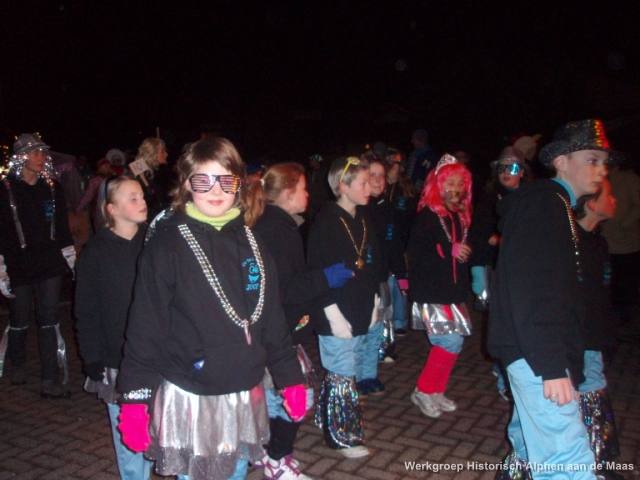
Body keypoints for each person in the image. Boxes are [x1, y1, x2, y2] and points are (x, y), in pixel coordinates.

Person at [116, 138, 306, 480]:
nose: (216, 190)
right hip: (192, 391)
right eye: (204, 180)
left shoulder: (254, 243)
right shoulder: (167, 246)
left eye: (226, 180)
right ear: (188, 184)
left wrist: (289, 375)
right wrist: (134, 400)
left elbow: (271, 316)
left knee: (235, 472)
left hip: (244, 388)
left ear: (239, 184)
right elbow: (146, 326)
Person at [490, 119, 610, 479]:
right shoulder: (545, 204)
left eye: (604, 162)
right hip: (537, 356)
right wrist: (551, 365)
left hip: (538, 352)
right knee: (569, 464)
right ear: (561, 161)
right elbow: (532, 287)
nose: (602, 170)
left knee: (529, 448)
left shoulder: (559, 207)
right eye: (592, 159)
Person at [247, 162, 353, 480]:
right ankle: (277, 458)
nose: (309, 195)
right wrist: (324, 277)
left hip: (273, 330)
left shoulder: (279, 225)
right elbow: (284, 289)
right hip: (277, 332)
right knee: (297, 395)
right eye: (304, 189)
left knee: (272, 397)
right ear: (289, 193)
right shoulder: (277, 231)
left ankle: (266, 451)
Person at [75, 175, 153, 480]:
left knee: (160, 429)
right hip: (117, 358)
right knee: (131, 436)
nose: (142, 202)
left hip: (156, 355)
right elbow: (86, 310)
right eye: (132, 198)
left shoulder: (155, 242)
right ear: (112, 209)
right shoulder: (96, 252)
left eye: (142, 195)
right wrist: (92, 355)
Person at [307, 156, 380, 459]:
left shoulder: (363, 219)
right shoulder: (325, 224)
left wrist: (374, 300)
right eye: (363, 183)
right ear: (343, 186)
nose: (370, 188)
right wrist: (331, 313)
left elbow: (371, 263)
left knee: (348, 368)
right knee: (342, 371)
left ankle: (329, 416)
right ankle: (342, 436)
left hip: (359, 307)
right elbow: (315, 271)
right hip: (334, 311)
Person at [0, 134, 75, 398]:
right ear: (21, 158)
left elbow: (62, 226)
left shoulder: (52, 187)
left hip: (48, 261)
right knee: (20, 316)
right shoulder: (6, 189)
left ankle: (50, 379)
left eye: (43, 153)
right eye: (35, 153)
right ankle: (18, 365)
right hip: (18, 262)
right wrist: (1, 266)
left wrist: (70, 256)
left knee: (49, 318)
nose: (41, 157)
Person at [407, 154, 473, 418]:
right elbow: (417, 252)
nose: (455, 188)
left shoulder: (460, 215)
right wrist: (448, 249)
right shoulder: (428, 216)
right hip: (432, 291)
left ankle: (435, 389)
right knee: (448, 340)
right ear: (437, 185)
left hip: (452, 292)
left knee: (455, 343)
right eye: (450, 183)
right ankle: (423, 390)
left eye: (460, 183)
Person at [469, 147, 530, 401]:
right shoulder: (490, 199)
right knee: (503, 321)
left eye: (512, 167)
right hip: (496, 270)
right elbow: (479, 235)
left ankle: (508, 369)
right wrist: (478, 268)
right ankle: (506, 378)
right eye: (502, 167)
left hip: (524, 272)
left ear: (522, 171)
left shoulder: (530, 197)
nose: (507, 172)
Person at [574, 179, 622, 477]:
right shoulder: (572, 243)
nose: (614, 200)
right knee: (589, 393)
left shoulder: (598, 242)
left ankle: (596, 462)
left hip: (593, 336)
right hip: (578, 339)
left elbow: (601, 295)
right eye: (609, 195)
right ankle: (596, 465)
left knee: (592, 390)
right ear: (591, 204)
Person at [361, 154, 408, 371]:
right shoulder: (358, 208)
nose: (378, 180)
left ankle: (383, 349)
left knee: (384, 314)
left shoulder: (387, 207)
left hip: (383, 274)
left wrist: (401, 275)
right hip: (363, 276)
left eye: (381, 176)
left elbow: (394, 242)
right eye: (373, 175)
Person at [600, 158, 640, 327]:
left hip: (627, 243)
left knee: (627, 278)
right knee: (611, 279)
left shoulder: (629, 179)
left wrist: (624, 223)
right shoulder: (602, 179)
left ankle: (627, 315)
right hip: (607, 241)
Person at [384, 148, 417, 335]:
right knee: (388, 279)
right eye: (390, 164)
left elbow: (411, 218)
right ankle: (387, 319)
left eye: (396, 165)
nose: (393, 168)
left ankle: (399, 320)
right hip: (385, 240)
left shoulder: (406, 189)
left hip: (401, 241)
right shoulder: (380, 187)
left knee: (400, 279)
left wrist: (408, 244)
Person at [135, 138, 172, 219]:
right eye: (162, 151)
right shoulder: (143, 175)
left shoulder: (163, 172)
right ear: (152, 154)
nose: (166, 154)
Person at [77, 158, 114, 232]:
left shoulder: (114, 179)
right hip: (99, 211)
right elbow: (88, 196)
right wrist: (79, 208)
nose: (107, 166)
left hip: (113, 210)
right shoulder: (94, 181)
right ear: (100, 167)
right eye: (104, 165)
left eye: (108, 165)